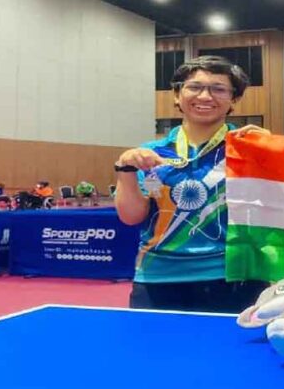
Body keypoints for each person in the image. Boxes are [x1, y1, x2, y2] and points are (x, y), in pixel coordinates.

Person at [115, 55, 270, 312]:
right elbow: (132, 217)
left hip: (236, 277)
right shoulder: (151, 153)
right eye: (195, 87)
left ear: (234, 99)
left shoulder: (251, 149)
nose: (205, 96)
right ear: (177, 95)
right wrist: (125, 169)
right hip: (157, 278)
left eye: (218, 89)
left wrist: (274, 155)